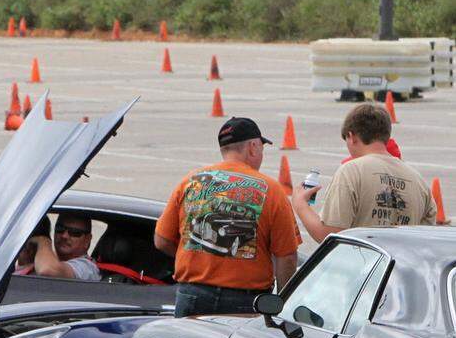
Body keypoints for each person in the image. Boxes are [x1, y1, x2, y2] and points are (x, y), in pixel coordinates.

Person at [155, 117, 300, 317]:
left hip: (193, 294)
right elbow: (287, 257)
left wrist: (199, 258)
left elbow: (161, 241)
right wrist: (282, 305)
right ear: (253, 147)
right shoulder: (272, 190)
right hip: (246, 302)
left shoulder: (191, 181)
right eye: (261, 149)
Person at [293, 104, 436, 242]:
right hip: (401, 258)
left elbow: (331, 236)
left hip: (362, 258)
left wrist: (301, 205)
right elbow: (426, 239)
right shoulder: (418, 181)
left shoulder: (350, 172)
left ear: (351, 137)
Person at [30, 214, 101, 281]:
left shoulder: (87, 268)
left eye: (74, 232)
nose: (64, 236)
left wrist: (43, 241)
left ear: (87, 240)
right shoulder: (49, 259)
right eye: (60, 229)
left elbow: (47, 270)